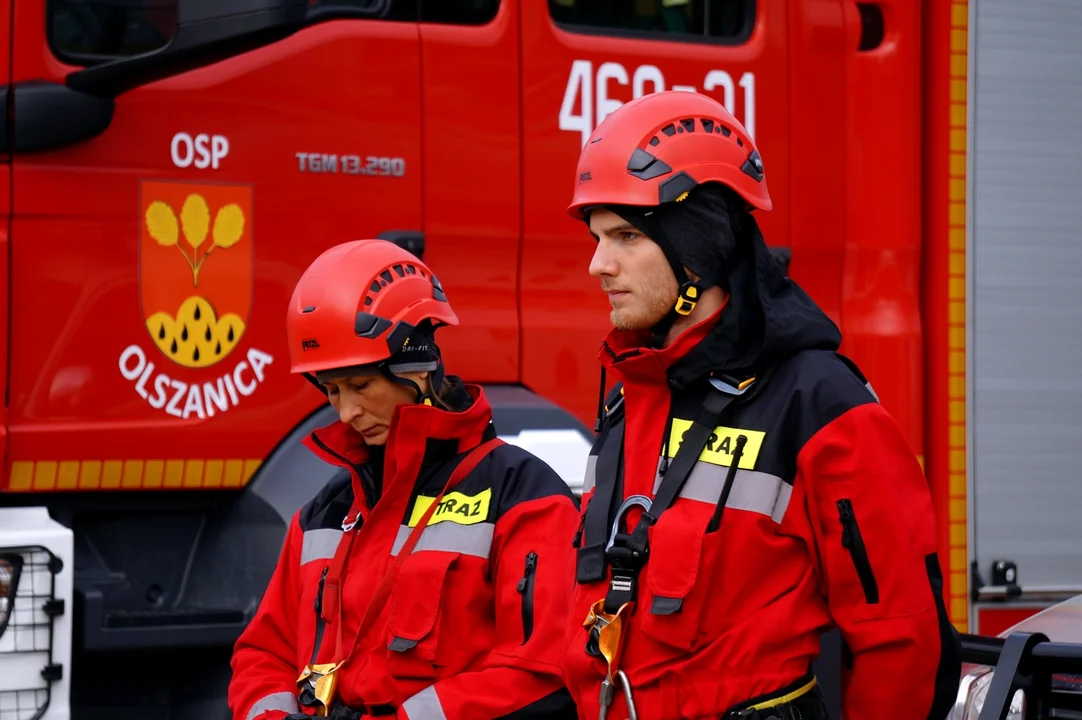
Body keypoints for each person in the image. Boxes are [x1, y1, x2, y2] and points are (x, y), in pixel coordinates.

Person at [562, 91, 961, 719]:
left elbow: (901, 638)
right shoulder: (632, 394)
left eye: (626, 236)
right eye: (596, 237)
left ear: (699, 249)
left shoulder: (819, 401)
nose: (598, 264)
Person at [228, 239, 581, 720]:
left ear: (415, 367)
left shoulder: (522, 496)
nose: (346, 412)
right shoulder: (324, 514)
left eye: (360, 385)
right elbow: (262, 655)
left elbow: (540, 674)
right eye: (331, 390)